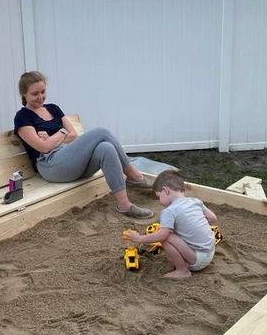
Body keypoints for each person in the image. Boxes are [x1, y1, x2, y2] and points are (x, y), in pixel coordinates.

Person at [14, 71, 153, 218]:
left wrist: (51, 139)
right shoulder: (22, 117)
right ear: (24, 94)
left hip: (70, 159)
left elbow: (73, 135)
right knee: (102, 132)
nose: (40, 97)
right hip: (51, 165)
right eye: (35, 93)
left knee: (106, 148)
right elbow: (43, 148)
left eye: (43, 92)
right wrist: (61, 132)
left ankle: (124, 206)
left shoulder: (53, 108)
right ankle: (135, 177)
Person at [125, 170, 217, 279]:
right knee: (171, 233)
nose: (159, 201)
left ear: (165, 191)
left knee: (166, 237)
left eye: (159, 196)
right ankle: (187, 262)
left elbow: (161, 236)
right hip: (210, 252)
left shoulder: (169, 211)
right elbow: (212, 218)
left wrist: (138, 238)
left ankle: (182, 271)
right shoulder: (195, 201)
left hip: (198, 260)